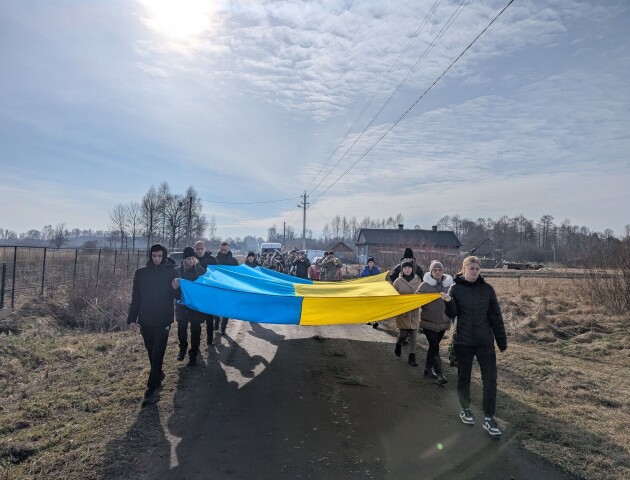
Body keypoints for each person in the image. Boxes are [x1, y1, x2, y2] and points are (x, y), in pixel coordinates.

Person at [444, 256, 507, 437]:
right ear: (464, 269)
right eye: (471, 268)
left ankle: (489, 418)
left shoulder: (487, 290)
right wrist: (448, 302)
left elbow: (496, 316)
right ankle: (465, 409)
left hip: (484, 341)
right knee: (464, 377)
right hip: (463, 341)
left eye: (477, 269)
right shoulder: (455, 288)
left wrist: (501, 341)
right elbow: (452, 314)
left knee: (490, 379)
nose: (475, 271)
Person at [127, 244, 178, 400]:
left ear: (164, 256)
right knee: (150, 350)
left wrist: (177, 288)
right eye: (154, 256)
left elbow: (179, 297)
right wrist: (131, 319)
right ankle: (158, 373)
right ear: (150, 256)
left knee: (158, 351)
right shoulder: (141, 273)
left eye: (159, 256)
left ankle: (152, 386)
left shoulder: (172, 273)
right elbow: (136, 298)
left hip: (164, 319)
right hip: (146, 318)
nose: (157, 259)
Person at [417, 260, 453, 384]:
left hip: (443, 323)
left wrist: (448, 299)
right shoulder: (425, 285)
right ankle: (440, 374)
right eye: (435, 270)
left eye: (440, 270)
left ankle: (427, 369)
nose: (438, 272)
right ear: (431, 271)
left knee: (433, 347)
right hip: (428, 322)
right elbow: (416, 300)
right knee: (435, 346)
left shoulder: (448, 286)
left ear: (443, 271)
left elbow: (453, 302)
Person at [173, 247, 207, 366]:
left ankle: (193, 354)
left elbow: (205, 288)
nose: (191, 260)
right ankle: (182, 349)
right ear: (184, 259)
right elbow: (174, 292)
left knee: (195, 330)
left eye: (193, 258)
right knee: (182, 329)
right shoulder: (178, 271)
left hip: (196, 307)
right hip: (182, 306)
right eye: (189, 258)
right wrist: (176, 288)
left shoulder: (200, 270)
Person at [392, 260, 422, 366]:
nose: (407, 269)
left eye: (409, 268)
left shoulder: (418, 280)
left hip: (414, 312)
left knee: (414, 335)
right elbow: (393, 296)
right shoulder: (397, 282)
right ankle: (398, 343)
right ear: (402, 270)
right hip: (403, 312)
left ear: (412, 269)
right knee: (403, 335)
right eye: (405, 268)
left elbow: (421, 293)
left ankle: (412, 357)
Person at [194, 240, 218, 345]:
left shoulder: (212, 260)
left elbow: (216, 274)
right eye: (197, 249)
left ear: (205, 249)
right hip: (197, 293)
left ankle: (209, 338)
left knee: (209, 318)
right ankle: (196, 341)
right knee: (196, 319)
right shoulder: (192, 259)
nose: (199, 251)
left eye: (201, 248)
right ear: (195, 249)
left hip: (209, 293)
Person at [214, 241, 239, 335]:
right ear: (219, 249)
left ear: (228, 249)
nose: (223, 251)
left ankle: (223, 327)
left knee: (227, 308)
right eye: (222, 250)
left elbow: (237, 274)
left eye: (225, 250)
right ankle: (216, 321)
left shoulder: (233, 261)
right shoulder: (215, 259)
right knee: (216, 305)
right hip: (217, 287)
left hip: (229, 287)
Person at [360, 257, 382, 328]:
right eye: (370, 262)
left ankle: (375, 320)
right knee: (368, 305)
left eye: (372, 262)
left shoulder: (377, 270)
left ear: (374, 263)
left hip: (375, 290)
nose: (371, 263)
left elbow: (379, 279)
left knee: (375, 305)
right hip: (367, 290)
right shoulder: (364, 271)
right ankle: (369, 319)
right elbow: (361, 280)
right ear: (367, 263)